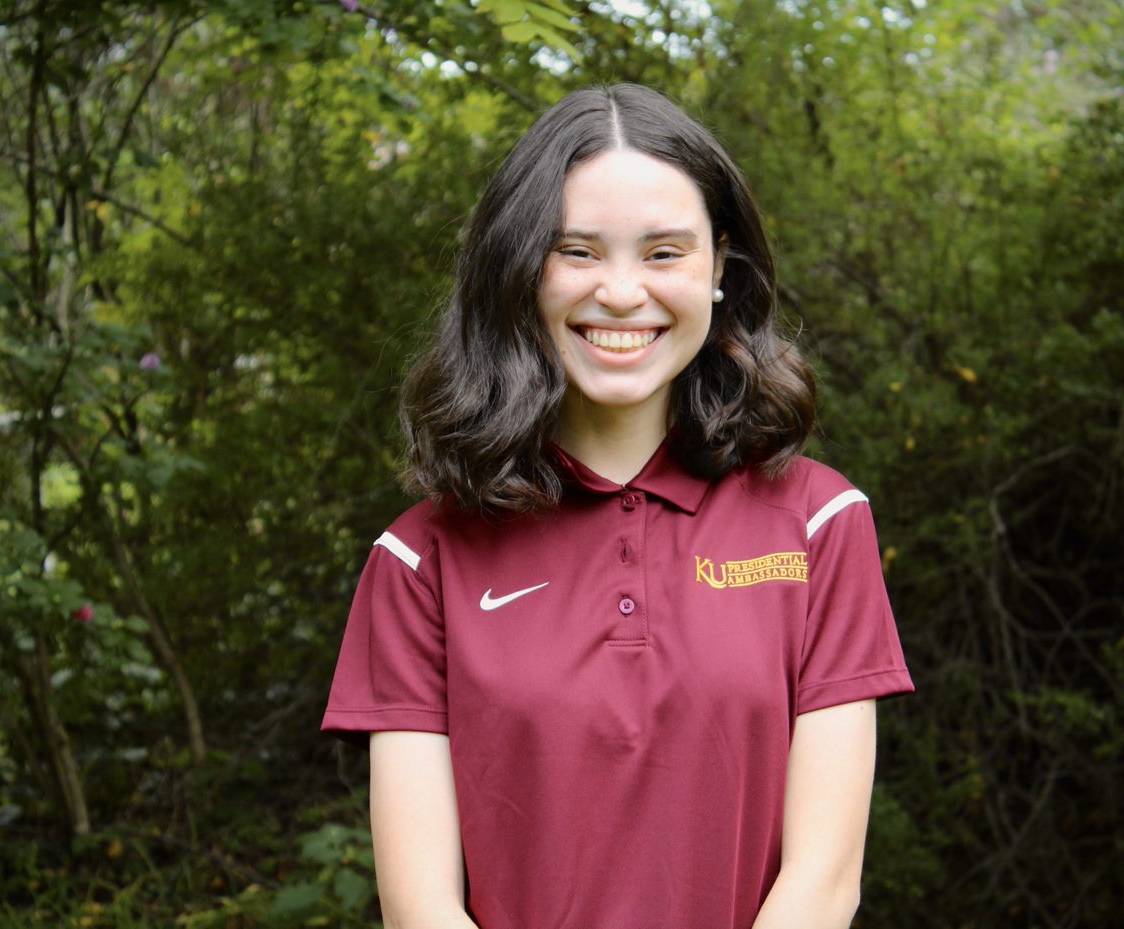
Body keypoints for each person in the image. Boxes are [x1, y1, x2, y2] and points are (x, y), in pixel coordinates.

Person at [321, 83, 914, 929]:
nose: (624, 293)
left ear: (721, 271)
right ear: (518, 274)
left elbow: (822, 883)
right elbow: (422, 910)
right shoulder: (419, 561)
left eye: (665, 252)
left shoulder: (823, 523)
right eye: (578, 251)